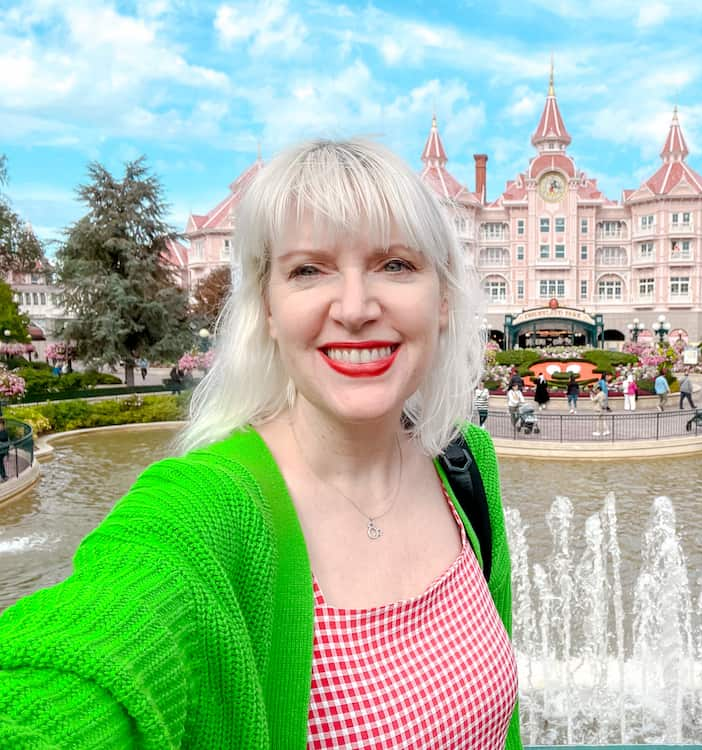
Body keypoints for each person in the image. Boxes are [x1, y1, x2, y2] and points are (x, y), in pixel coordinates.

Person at [0, 139, 521, 749]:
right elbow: (73, 669)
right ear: (268, 309)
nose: (354, 308)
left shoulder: (464, 466)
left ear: (444, 300)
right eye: (308, 270)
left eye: (395, 264)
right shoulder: (205, 511)